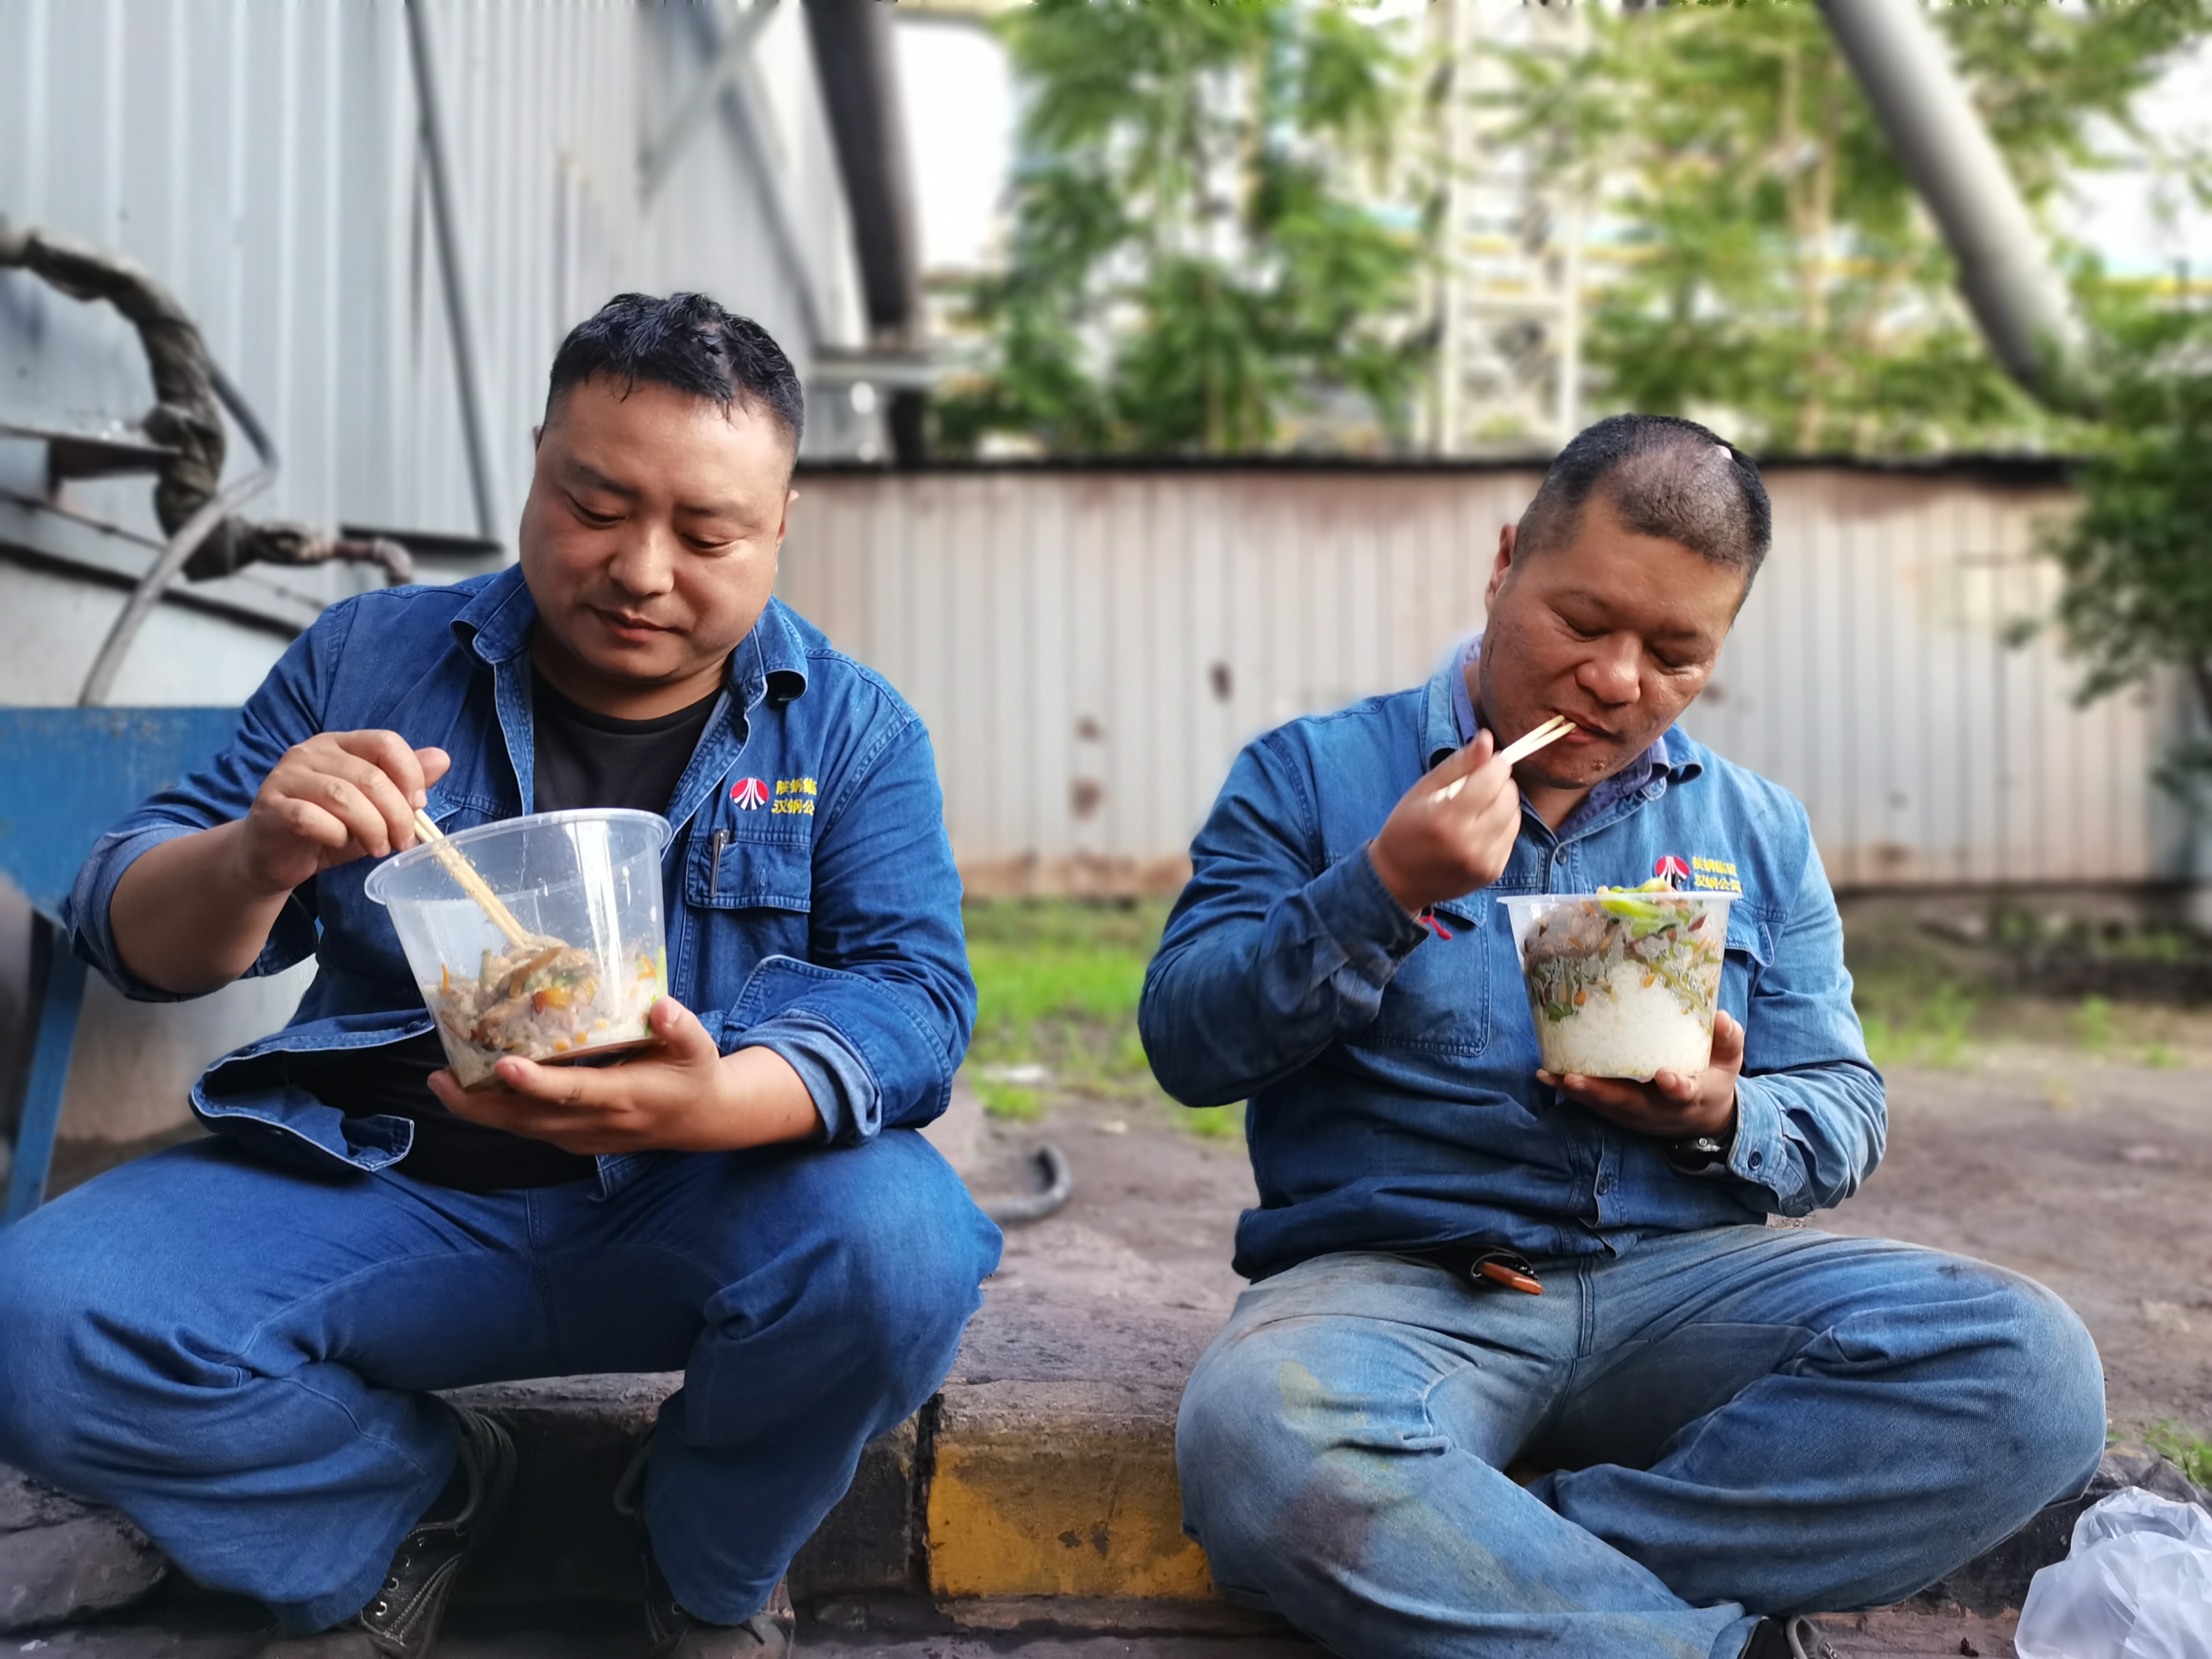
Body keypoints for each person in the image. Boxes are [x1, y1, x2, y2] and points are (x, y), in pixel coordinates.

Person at [0, 293, 1001, 1659]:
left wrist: (708, 1109)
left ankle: (697, 1555)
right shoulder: (369, 659)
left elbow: (916, 999)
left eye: (707, 534)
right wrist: (253, 855)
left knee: (905, 1251)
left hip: (698, 1202)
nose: (641, 569)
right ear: (534, 470)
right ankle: (405, 1500)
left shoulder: (852, 729)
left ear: (779, 530)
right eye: (594, 505)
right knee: (38, 1320)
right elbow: (128, 925)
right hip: (388, 1181)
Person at [1140, 414, 2105, 1659]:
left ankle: (1502, 1558)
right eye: (1584, 624)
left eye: (1676, 653)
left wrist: (1723, 1113)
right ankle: (1701, 1644)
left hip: (1682, 1285)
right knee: (1258, 1431)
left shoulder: (1756, 828)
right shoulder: (1315, 777)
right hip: (1396, 1287)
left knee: (2030, 1371)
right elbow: (1184, 1044)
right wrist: (1379, 886)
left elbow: (1843, 1108)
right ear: (1504, 564)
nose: (1616, 681)